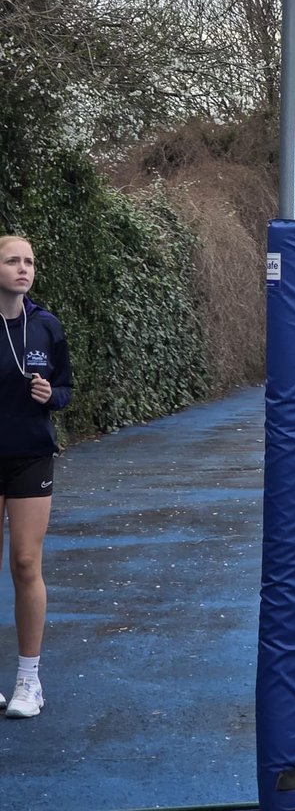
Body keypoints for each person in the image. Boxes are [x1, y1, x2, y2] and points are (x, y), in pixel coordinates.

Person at [0, 234, 74, 719]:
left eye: (29, 261)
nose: (23, 268)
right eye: (13, 261)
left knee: (26, 563)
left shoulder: (46, 325)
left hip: (30, 456)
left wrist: (52, 395)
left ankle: (29, 680)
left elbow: (66, 388)